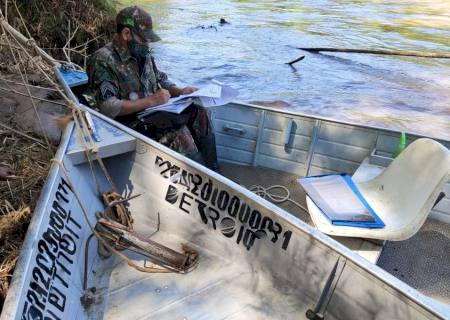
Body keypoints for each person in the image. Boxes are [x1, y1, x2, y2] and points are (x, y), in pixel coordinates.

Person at [87, 6, 219, 171]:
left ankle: (214, 171)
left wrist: (180, 91)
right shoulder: (103, 59)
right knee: (179, 133)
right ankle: (202, 184)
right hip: (126, 124)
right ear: (126, 34)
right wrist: (151, 100)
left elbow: (160, 79)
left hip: (153, 113)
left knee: (199, 111)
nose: (148, 44)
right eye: (144, 39)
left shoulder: (143, 53)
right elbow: (108, 107)